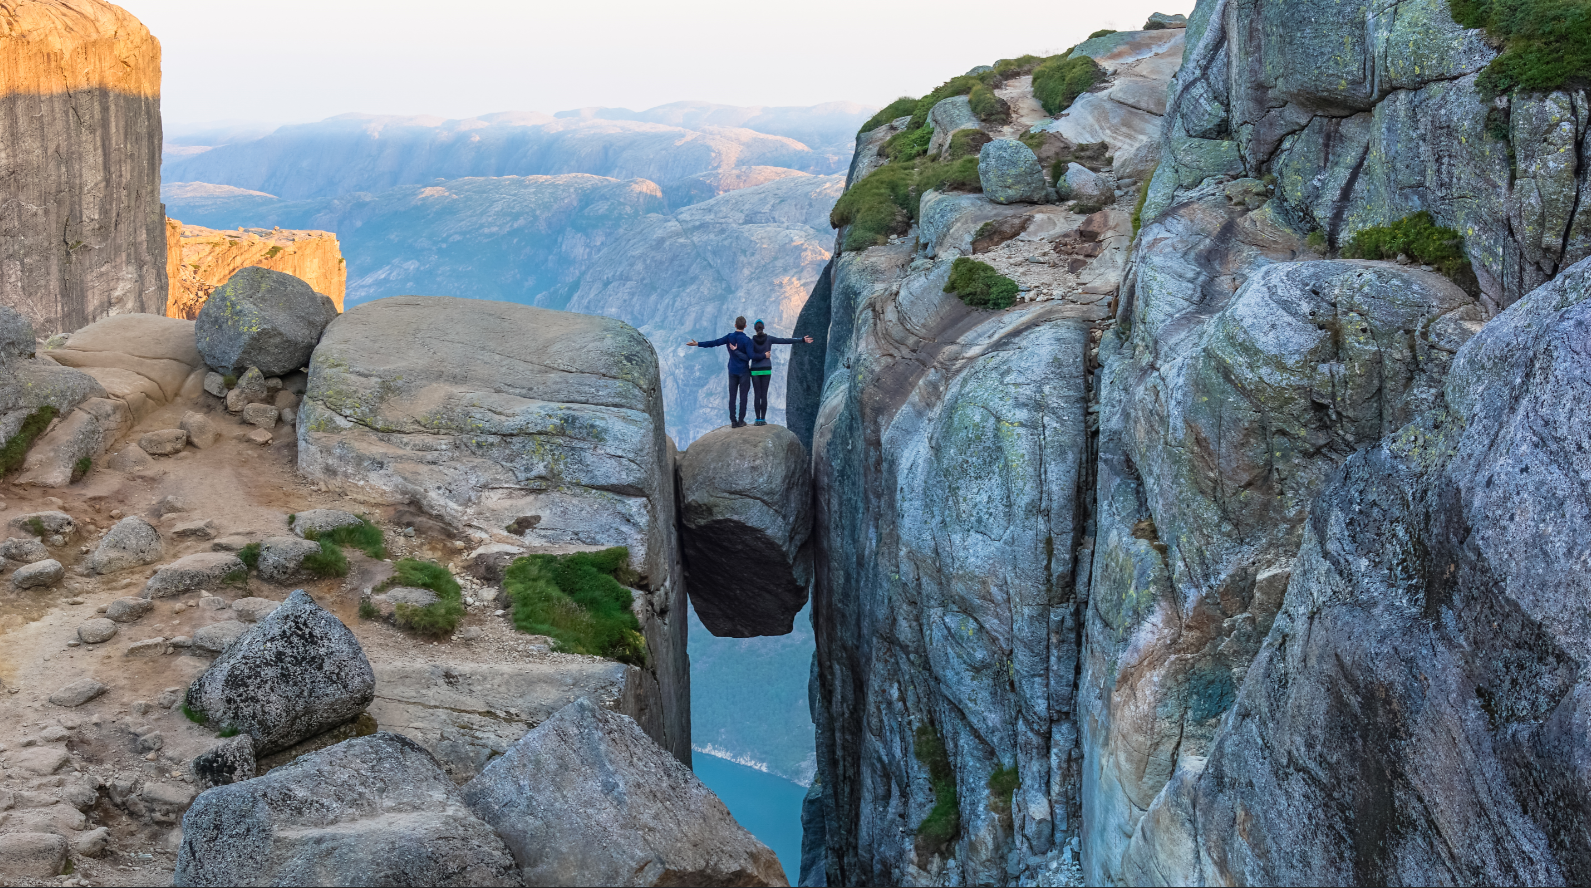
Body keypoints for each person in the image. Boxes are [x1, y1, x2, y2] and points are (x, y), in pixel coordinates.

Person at [688, 316, 756, 428]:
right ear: (745, 326)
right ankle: (741, 421)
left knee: (732, 396)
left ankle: (733, 421)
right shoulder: (747, 340)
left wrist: (698, 344)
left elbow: (714, 343)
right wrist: (739, 352)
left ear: (735, 325)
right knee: (743, 397)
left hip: (732, 370)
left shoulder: (729, 337)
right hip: (744, 371)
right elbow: (748, 357)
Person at [744, 319, 814, 426]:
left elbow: (747, 353)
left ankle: (757, 419)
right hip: (766, 369)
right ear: (764, 328)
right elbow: (784, 340)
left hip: (755, 371)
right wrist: (802, 340)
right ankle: (763, 419)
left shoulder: (751, 341)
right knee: (764, 395)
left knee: (757, 395)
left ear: (754, 329)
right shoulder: (769, 339)